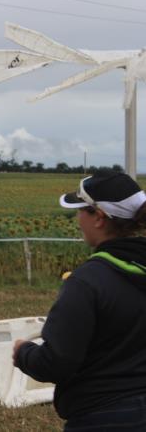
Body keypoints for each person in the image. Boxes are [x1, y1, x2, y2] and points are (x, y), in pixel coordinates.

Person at [13, 170, 146, 430]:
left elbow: (56, 363)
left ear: (98, 217)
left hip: (102, 418)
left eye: (80, 210)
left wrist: (23, 353)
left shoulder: (88, 281)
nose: (77, 219)